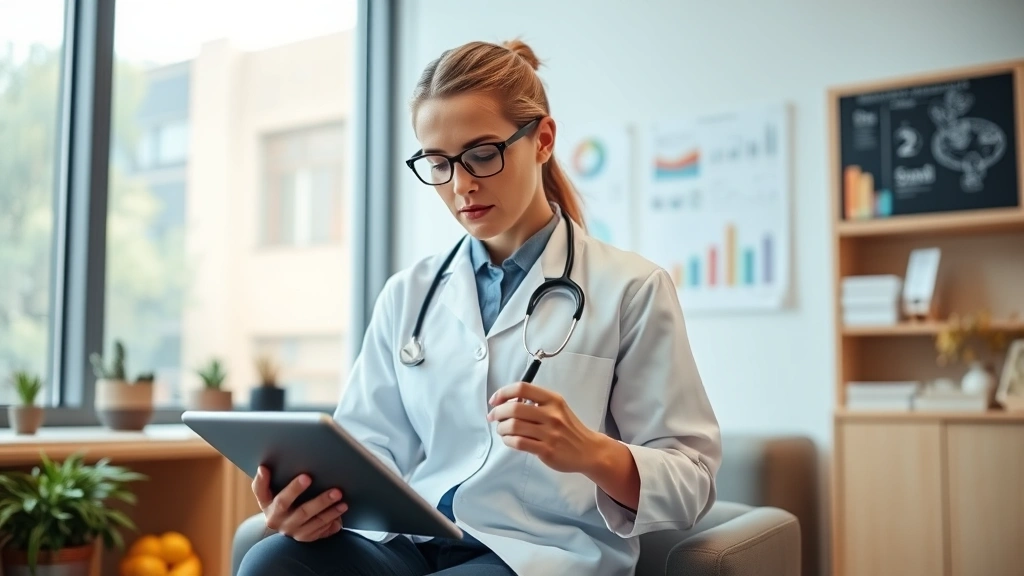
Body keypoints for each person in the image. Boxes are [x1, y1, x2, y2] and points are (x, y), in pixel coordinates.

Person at [238, 38, 721, 576]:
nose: (462, 185)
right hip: (411, 543)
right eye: (438, 163)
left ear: (543, 140)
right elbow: (367, 448)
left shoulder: (631, 288)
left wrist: (591, 452)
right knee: (273, 561)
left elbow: (692, 481)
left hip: (542, 555)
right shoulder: (409, 293)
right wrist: (309, 502)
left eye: (483, 155)